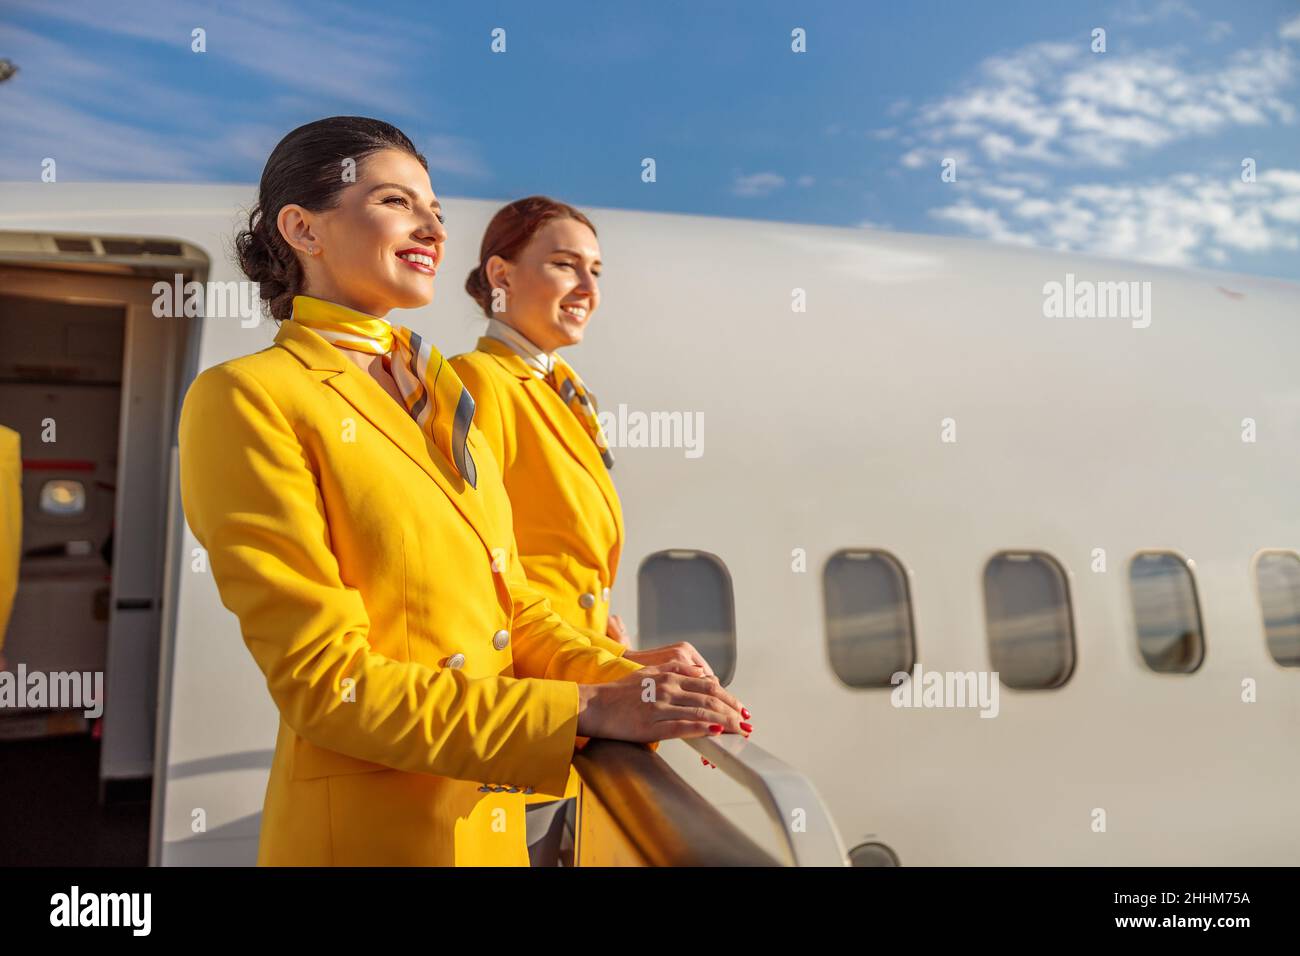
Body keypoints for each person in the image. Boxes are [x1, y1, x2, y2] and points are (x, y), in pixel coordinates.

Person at [177, 116, 747, 866]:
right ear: (303, 230)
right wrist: (585, 707)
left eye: (437, 211)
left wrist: (635, 679)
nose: (433, 228)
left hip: (486, 829)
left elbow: (512, 608)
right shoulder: (247, 396)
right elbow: (325, 684)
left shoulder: (439, 396)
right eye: (395, 202)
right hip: (371, 839)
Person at [450, 197, 748, 863]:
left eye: (596, 271)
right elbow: (487, 573)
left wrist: (618, 652)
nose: (587, 288)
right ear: (500, 274)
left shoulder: (556, 391)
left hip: (562, 689)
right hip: (529, 700)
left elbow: (560, 567)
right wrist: (608, 676)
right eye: (563, 265)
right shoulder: (478, 383)